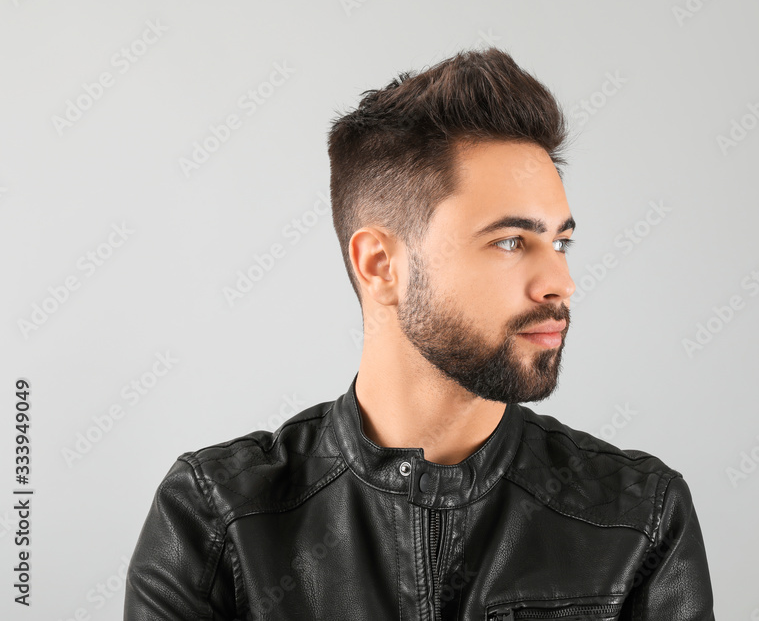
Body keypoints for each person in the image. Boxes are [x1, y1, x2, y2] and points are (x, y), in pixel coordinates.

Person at [123, 47, 715, 620]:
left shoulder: (639, 522)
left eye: (560, 242)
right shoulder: (216, 520)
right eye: (512, 241)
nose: (561, 282)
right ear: (381, 265)